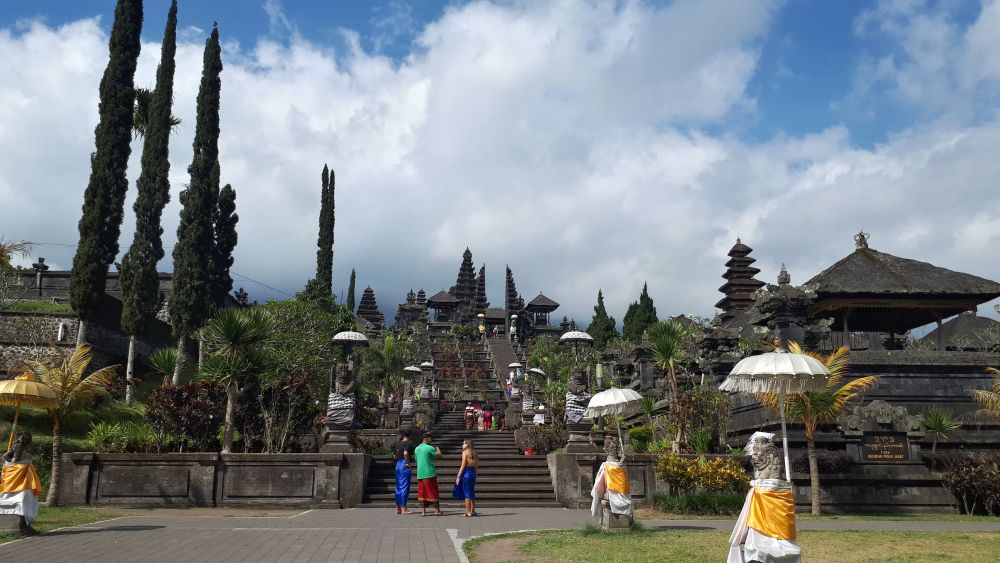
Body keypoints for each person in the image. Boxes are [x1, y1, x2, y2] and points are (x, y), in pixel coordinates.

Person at [414, 433, 443, 516]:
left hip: (420, 473)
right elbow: (439, 456)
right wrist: (437, 448)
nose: (431, 440)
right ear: (426, 439)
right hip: (429, 473)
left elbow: (417, 459)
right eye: (430, 438)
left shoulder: (416, 448)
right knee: (433, 491)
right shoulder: (430, 447)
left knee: (421, 492)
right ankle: (437, 510)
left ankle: (423, 511)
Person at [392, 430, 415, 515]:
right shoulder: (408, 443)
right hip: (404, 465)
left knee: (398, 487)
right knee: (405, 486)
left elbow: (394, 456)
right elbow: (406, 453)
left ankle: (397, 507)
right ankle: (404, 508)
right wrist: (408, 464)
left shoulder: (397, 443)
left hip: (398, 465)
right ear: (410, 436)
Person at [453, 439, 479, 517]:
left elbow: (463, 465)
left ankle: (468, 512)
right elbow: (476, 465)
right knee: (471, 492)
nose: (462, 444)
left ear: (467, 444)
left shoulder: (465, 452)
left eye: (463, 443)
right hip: (473, 473)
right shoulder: (475, 452)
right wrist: (475, 475)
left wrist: (458, 476)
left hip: (466, 473)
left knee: (467, 492)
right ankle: (473, 511)